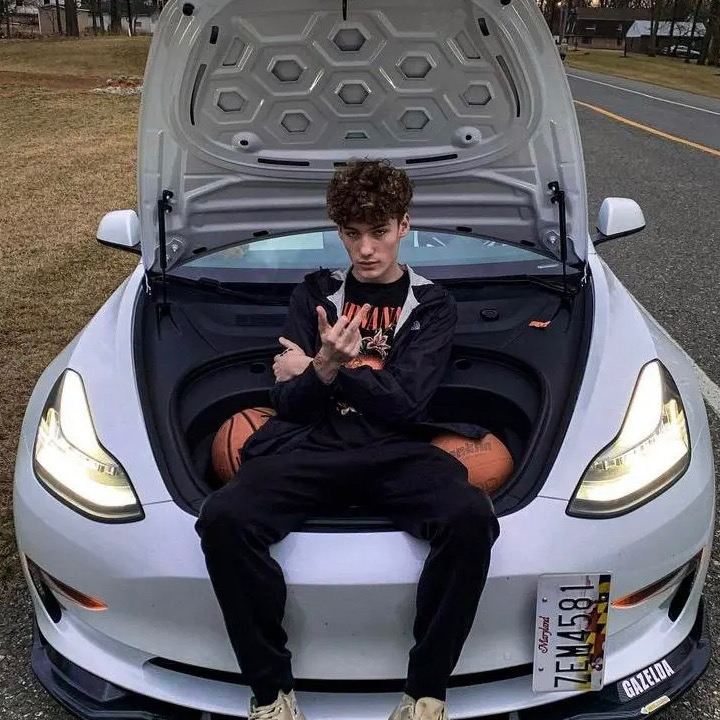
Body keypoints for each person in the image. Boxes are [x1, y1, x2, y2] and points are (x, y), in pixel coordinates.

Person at [195, 159, 502, 720]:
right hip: (310, 445)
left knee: (470, 518)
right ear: (338, 231)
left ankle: (426, 693)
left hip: (395, 451)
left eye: (379, 231)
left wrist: (325, 367)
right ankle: (272, 694)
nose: (365, 248)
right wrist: (326, 372)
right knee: (222, 519)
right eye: (352, 233)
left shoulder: (433, 305)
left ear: (403, 225)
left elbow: (406, 403)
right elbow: (290, 404)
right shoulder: (314, 293)